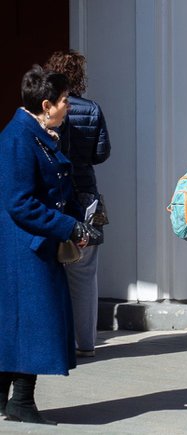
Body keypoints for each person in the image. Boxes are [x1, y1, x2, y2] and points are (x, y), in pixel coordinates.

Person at [0, 65, 101, 425]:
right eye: (63, 101)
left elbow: (57, 187)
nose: (68, 107)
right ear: (45, 105)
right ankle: (21, 402)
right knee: (31, 324)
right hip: (24, 249)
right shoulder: (17, 138)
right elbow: (20, 202)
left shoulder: (38, 133)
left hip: (36, 246)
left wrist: (78, 220)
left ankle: (10, 400)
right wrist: (67, 227)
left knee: (23, 324)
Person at [45, 51, 111, 358]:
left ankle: (56, 340)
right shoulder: (93, 108)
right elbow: (101, 153)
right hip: (86, 192)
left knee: (51, 267)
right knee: (85, 272)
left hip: (54, 193)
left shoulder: (46, 112)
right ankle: (85, 343)